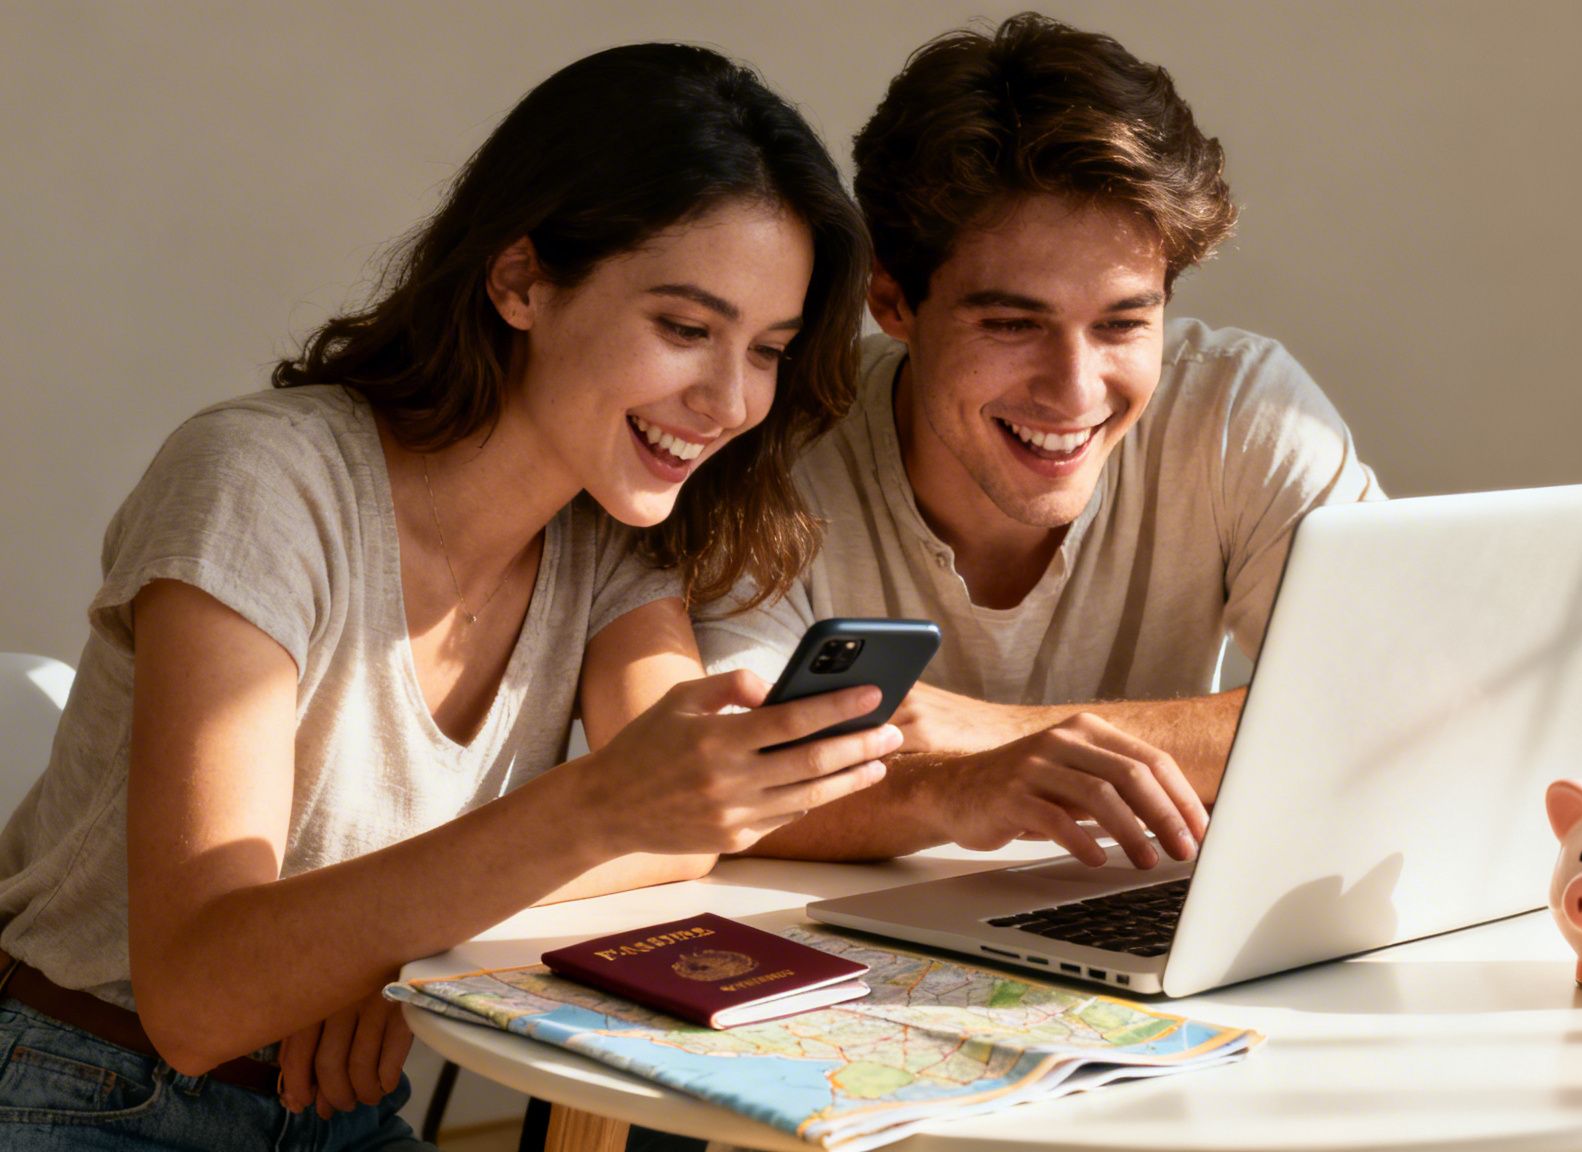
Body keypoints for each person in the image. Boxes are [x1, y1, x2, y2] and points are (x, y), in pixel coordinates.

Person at [0, 43, 896, 1151]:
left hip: (340, 1104)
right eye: (683, 328)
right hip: (91, 1086)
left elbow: (680, 836)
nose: (727, 400)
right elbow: (197, 996)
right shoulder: (259, 484)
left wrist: (369, 952)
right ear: (519, 279)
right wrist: (586, 814)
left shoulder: (610, 533)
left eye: (766, 349)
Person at [695, 13, 1382, 870]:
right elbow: (720, 791)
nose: (1076, 389)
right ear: (892, 301)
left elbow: (1399, 699)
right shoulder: (770, 445)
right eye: (1014, 324)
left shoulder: (1243, 412)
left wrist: (1004, 734)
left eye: (1123, 323)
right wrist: (957, 788)